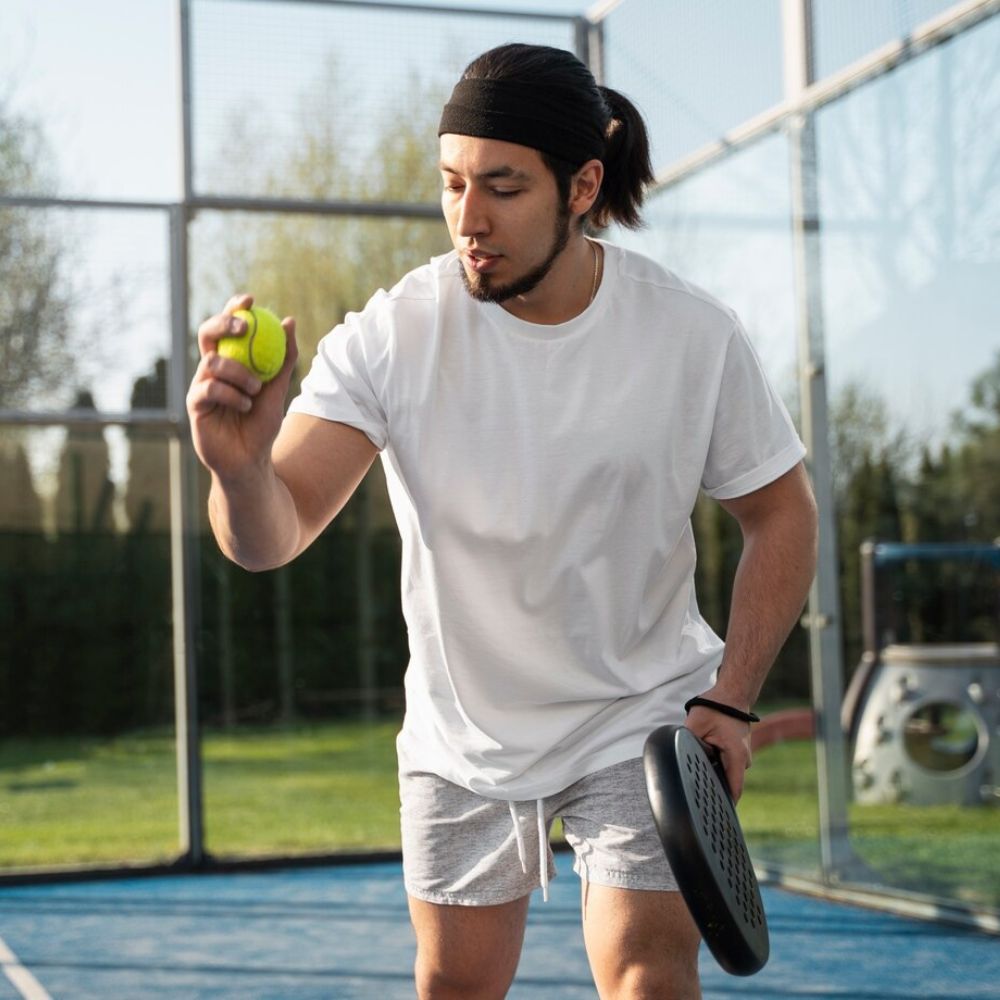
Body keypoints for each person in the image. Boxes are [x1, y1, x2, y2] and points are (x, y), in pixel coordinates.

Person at [187, 42, 818, 1000]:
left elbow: (784, 515)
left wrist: (729, 701)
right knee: (455, 986)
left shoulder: (691, 335)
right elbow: (271, 535)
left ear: (582, 185)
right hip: (461, 737)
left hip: (635, 715)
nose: (468, 219)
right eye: (451, 184)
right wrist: (237, 471)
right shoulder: (394, 333)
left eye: (503, 187)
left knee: (648, 975)